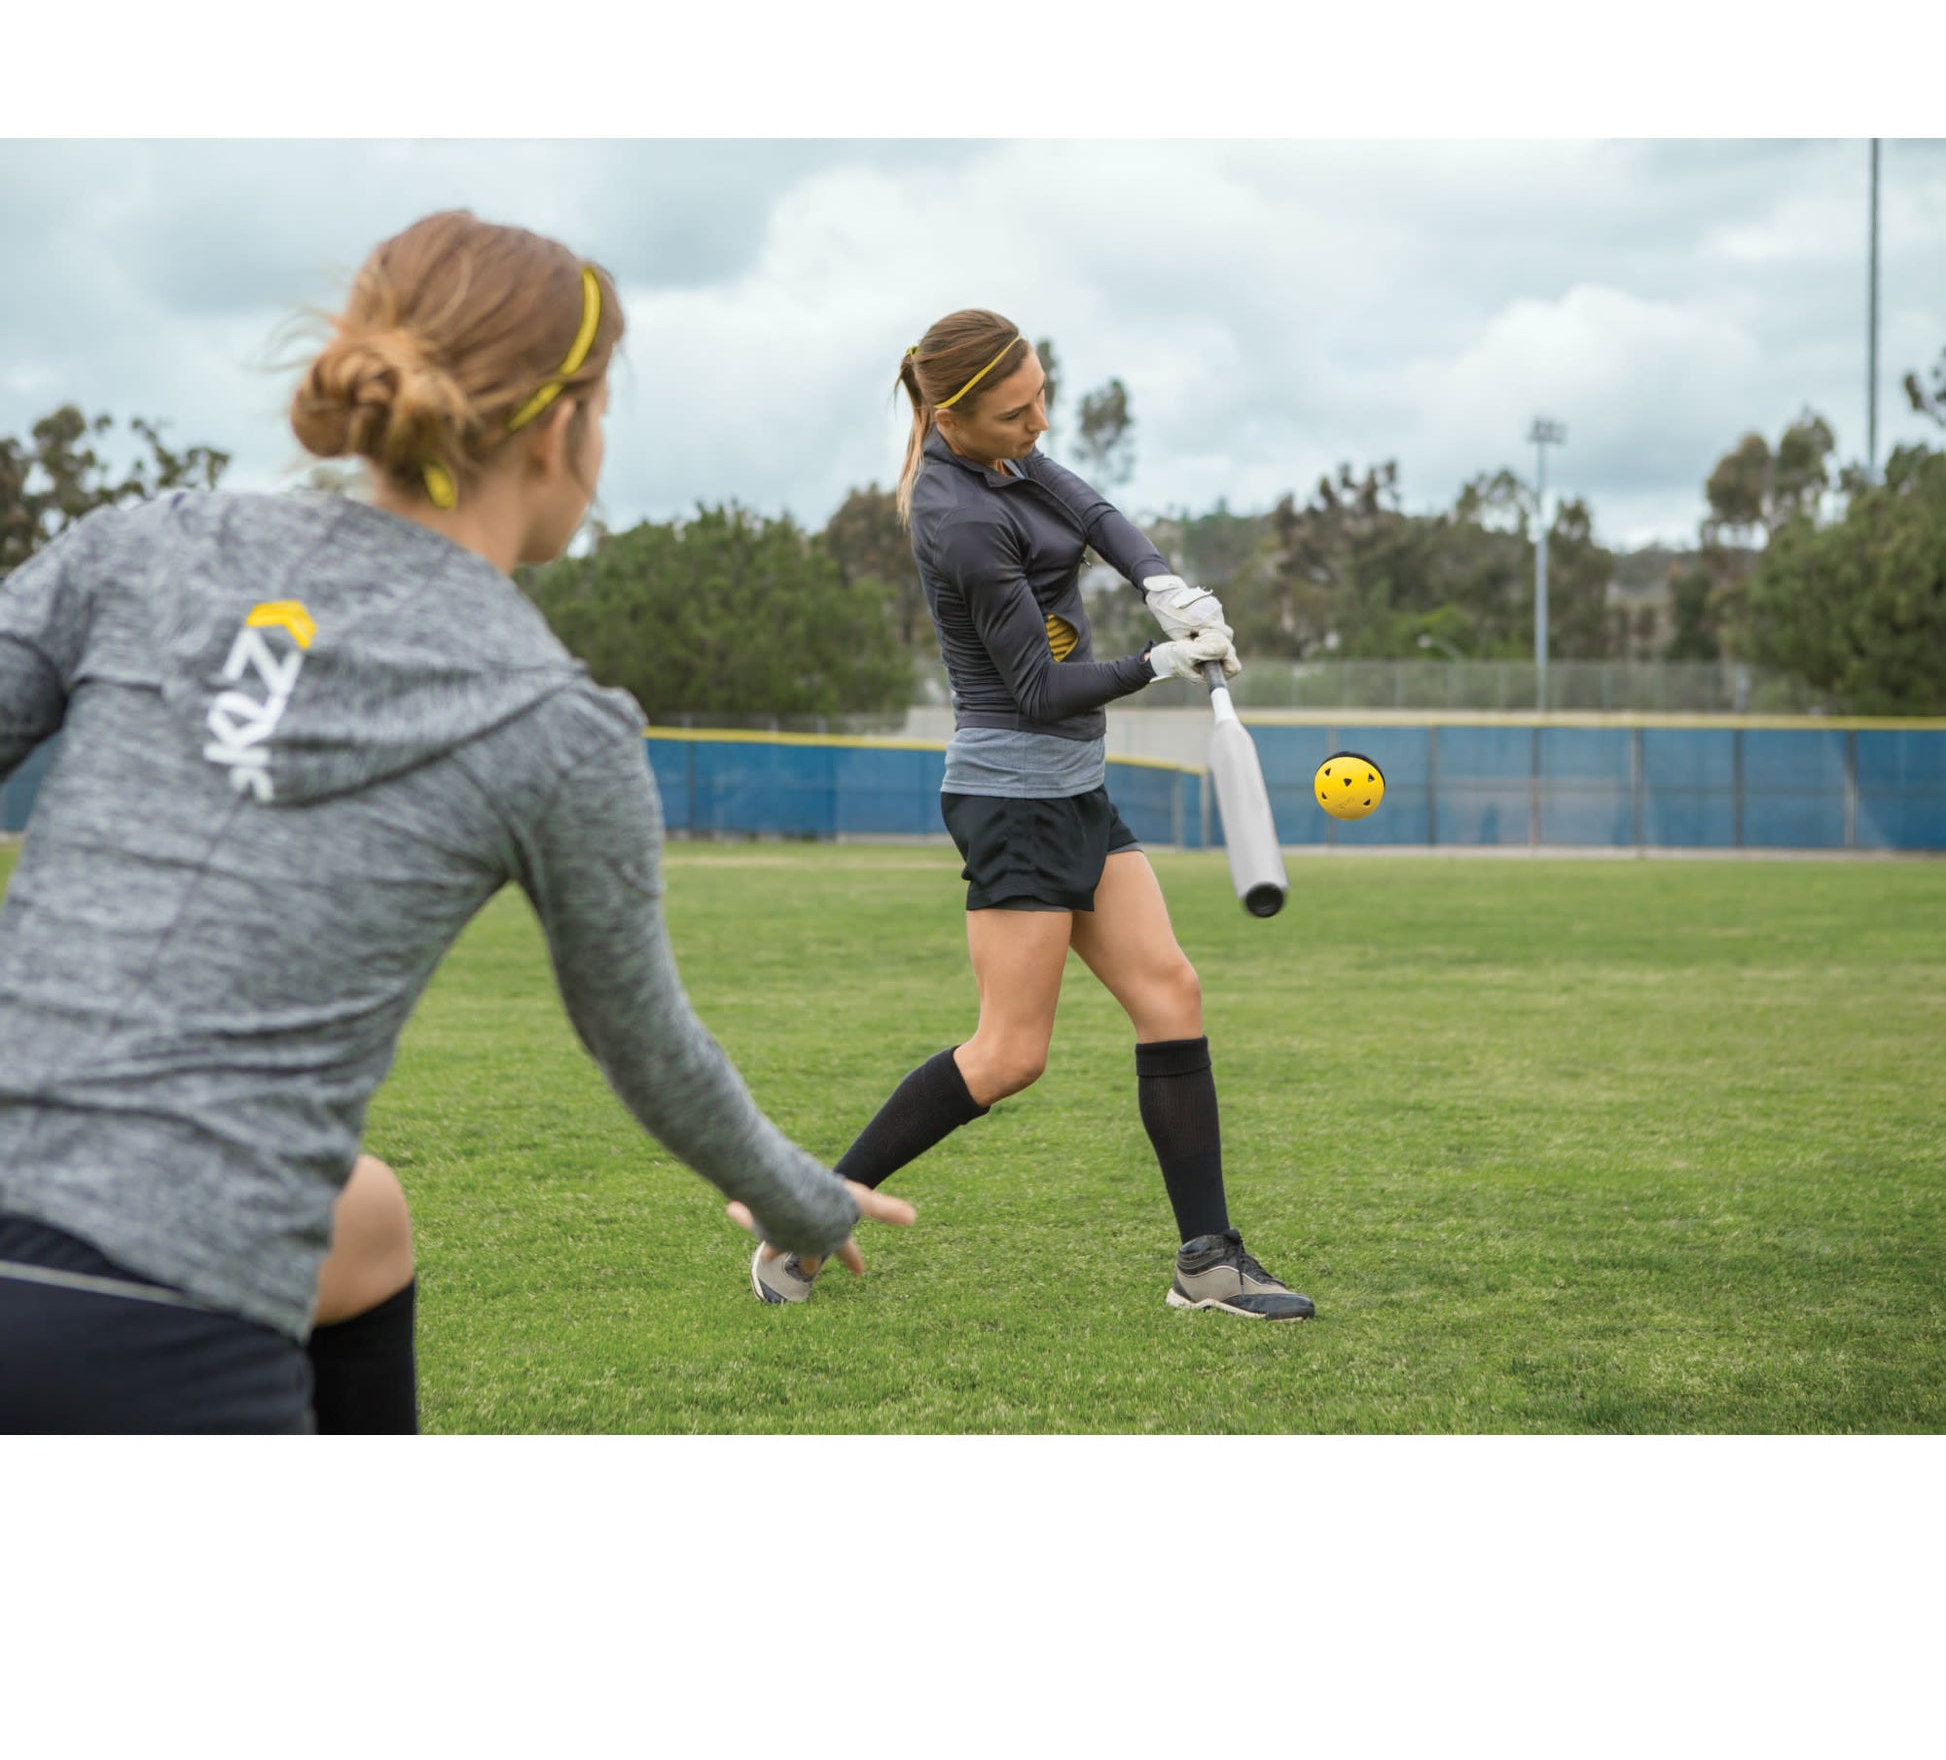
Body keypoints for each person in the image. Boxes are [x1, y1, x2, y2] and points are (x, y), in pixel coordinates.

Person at [0, 209, 911, 1434]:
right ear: (563, 428)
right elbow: (647, 1049)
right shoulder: (553, 724)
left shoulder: (146, 544)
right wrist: (802, 1201)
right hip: (151, 1322)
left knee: (363, 1213)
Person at [748, 310, 1313, 1320]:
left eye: (1042, 394)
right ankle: (805, 1213)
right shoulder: (956, 516)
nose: (1038, 422)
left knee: (1170, 992)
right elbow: (1040, 689)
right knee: (1009, 1053)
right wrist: (1159, 660)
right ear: (950, 415)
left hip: (1073, 791)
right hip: (1012, 797)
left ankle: (1207, 1261)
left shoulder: (1007, 459)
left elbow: (1089, 509)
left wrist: (1159, 582)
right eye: (1016, 411)